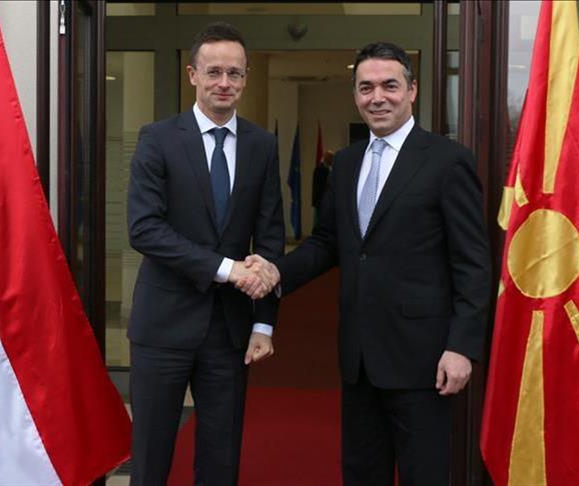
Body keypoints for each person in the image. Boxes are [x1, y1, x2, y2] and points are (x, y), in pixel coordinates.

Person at [239, 42, 490, 485]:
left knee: (425, 475)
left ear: (412, 91)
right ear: (355, 94)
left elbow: (472, 263)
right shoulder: (346, 162)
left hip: (424, 359)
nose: (378, 97)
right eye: (366, 87)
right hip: (358, 359)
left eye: (390, 85)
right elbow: (328, 242)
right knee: (361, 473)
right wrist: (277, 272)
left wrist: (461, 347)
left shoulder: (448, 161)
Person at [126, 22, 284, 485]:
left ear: (245, 78)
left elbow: (270, 237)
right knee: (151, 458)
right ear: (192, 74)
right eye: (214, 72)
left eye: (235, 73)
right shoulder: (157, 139)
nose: (224, 83)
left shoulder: (262, 145)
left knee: (221, 458)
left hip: (229, 331)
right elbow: (144, 229)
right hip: (162, 326)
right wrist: (227, 269)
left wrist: (263, 322)